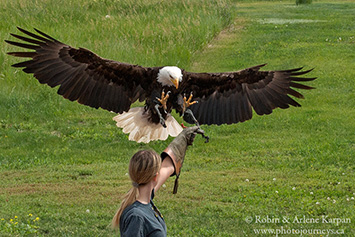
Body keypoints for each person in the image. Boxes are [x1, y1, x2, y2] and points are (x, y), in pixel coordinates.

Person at [111, 126, 200, 236]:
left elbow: (167, 167)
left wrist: (183, 138)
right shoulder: (136, 217)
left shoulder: (145, 200)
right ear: (155, 177)